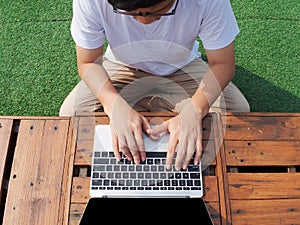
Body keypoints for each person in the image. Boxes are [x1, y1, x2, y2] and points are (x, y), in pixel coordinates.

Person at [60, 0, 250, 170]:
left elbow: (222, 64)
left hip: (183, 66)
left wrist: (195, 111)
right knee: (70, 113)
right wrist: (113, 104)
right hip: (122, 65)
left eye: (157, 11)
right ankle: (150, 110)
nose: (144, 22)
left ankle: (146, 109)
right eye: (131, 13)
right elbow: (88, 63)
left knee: (237, 109)